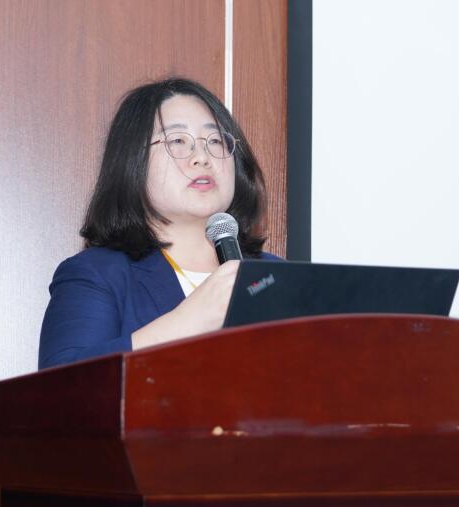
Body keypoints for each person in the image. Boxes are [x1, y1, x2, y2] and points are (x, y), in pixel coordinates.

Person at [38, 78, 279, 370]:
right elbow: (62, 385)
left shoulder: (277, 276)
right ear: (133, 162)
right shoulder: (97, 274)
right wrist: (189, 321)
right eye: (177, 141)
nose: (202, 158)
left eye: (215, 141)